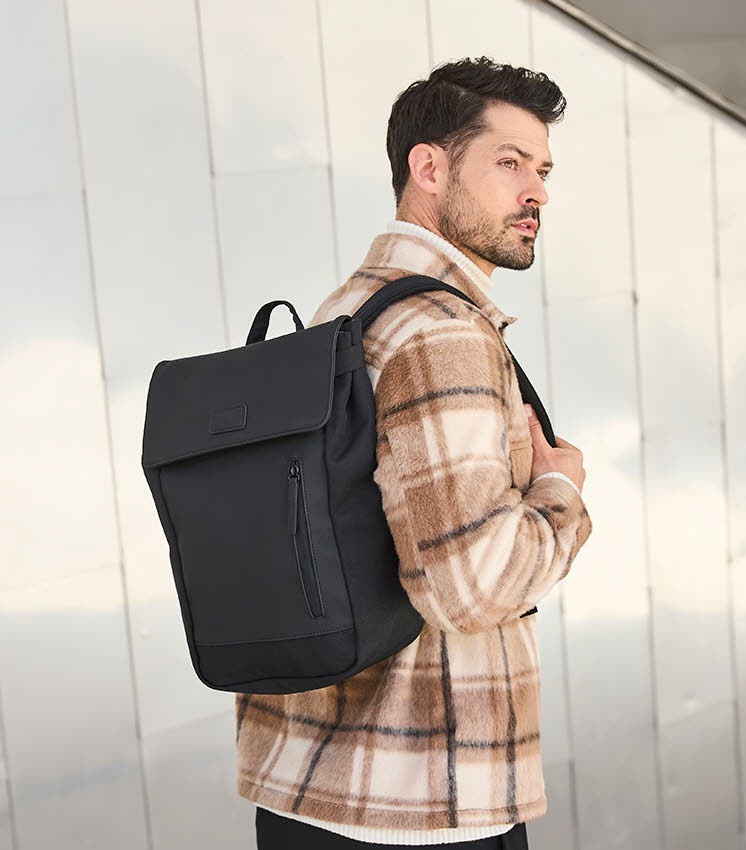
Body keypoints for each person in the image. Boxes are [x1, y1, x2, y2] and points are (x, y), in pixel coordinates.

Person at [236, 55, 592, 849]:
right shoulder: (438, 331)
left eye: (542, 171)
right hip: (422, 803)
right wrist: (561, 494)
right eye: (509, 163)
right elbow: (470, 588)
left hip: (309, 784)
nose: (536, 193)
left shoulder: (345, 312)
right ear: (428, 168)